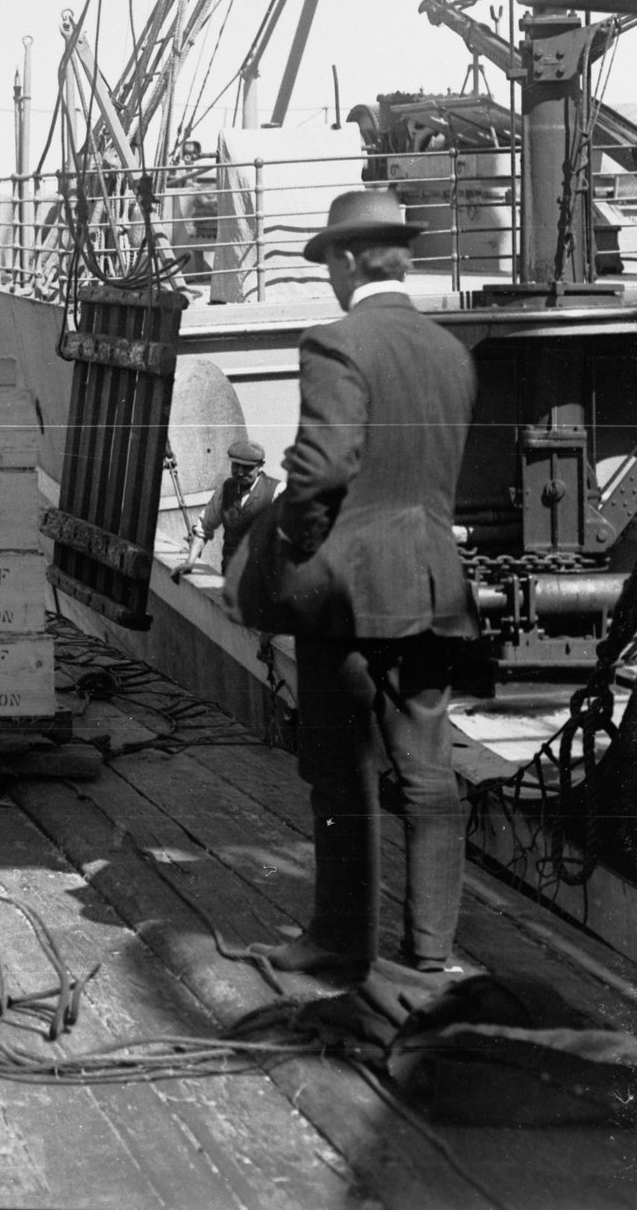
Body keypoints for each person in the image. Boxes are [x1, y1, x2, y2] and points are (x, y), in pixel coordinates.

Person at [249, 188, 478, 984]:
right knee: (428, 773)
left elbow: (324, 466)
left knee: (340, 770)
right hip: (432, 586)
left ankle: (343, 944)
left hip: (348, 594)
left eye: (329, 265)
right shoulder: (451, 352)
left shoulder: (336, 342)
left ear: (347, 260)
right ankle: (431, 957)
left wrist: (292, 543)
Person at [185, 439, 279, 572]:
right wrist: (190, 562)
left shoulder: (277, 491)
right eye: (236, 465)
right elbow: (204, 527)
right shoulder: (225, 490)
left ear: (260, 466)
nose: (240, 472)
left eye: (247, 467)